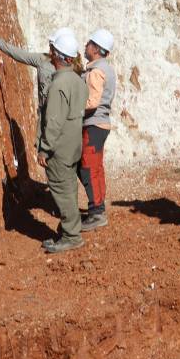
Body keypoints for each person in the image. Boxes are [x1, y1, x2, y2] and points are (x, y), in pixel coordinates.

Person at [38, 29, 90, 254]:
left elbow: (54, 121)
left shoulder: (59, 84)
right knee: (69, 188)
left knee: (61, 188)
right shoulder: (78, 80)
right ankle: (73, 229)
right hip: (73, 144)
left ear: (56, 55)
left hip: (59, 147)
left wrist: (44, 149)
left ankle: (71, 236)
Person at [0, 28, 73, 153]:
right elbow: (20, 54)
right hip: (45, 116)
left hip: (60, 120)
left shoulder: (73, 72)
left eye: (52, 46)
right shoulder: (43, 59)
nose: (50, 48)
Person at [79, 28, 117, 231]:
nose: (85, 46)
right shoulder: (106, 68)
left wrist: (73, 109)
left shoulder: (95, 72)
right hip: (101, 125)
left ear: (95, 48)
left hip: (93, 124)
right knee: (95, 168)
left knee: (88, 168)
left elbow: (92, 102)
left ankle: (96, 213)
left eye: (88, 43)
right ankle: (98, 208)